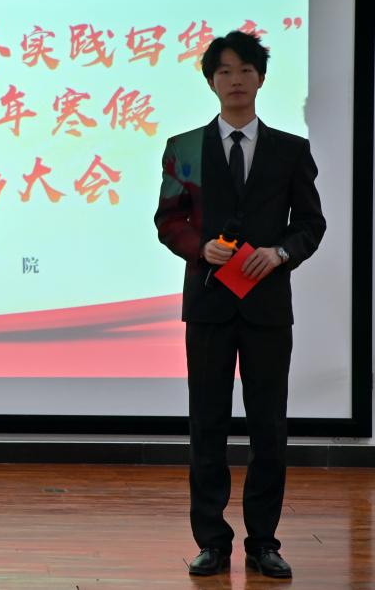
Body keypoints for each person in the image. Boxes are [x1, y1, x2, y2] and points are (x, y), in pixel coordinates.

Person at [154, 31, 325, 579]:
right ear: (211, 81)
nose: (235, 80)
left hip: (266, 307)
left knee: (268, 427)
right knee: (207, 425)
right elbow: (169, 220)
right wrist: (199, 247)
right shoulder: (185, 147)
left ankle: (264, 542)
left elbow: (311, 224)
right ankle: (211, 541)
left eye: (245, 70)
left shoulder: (290, 150)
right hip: (209, 304)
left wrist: (280, 253)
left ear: (261, 78)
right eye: (224, 71)